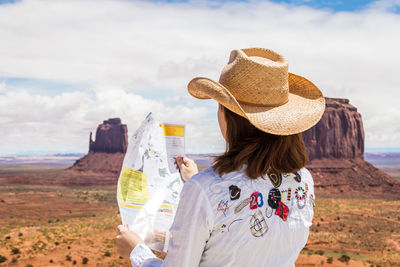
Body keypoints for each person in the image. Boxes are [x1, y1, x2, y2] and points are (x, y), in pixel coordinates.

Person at [116, 47, 325, 267]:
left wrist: (136, 252)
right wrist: (197, 183)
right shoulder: (303, 181)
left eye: (220, 106)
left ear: (230, 117)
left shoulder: (203, 190)